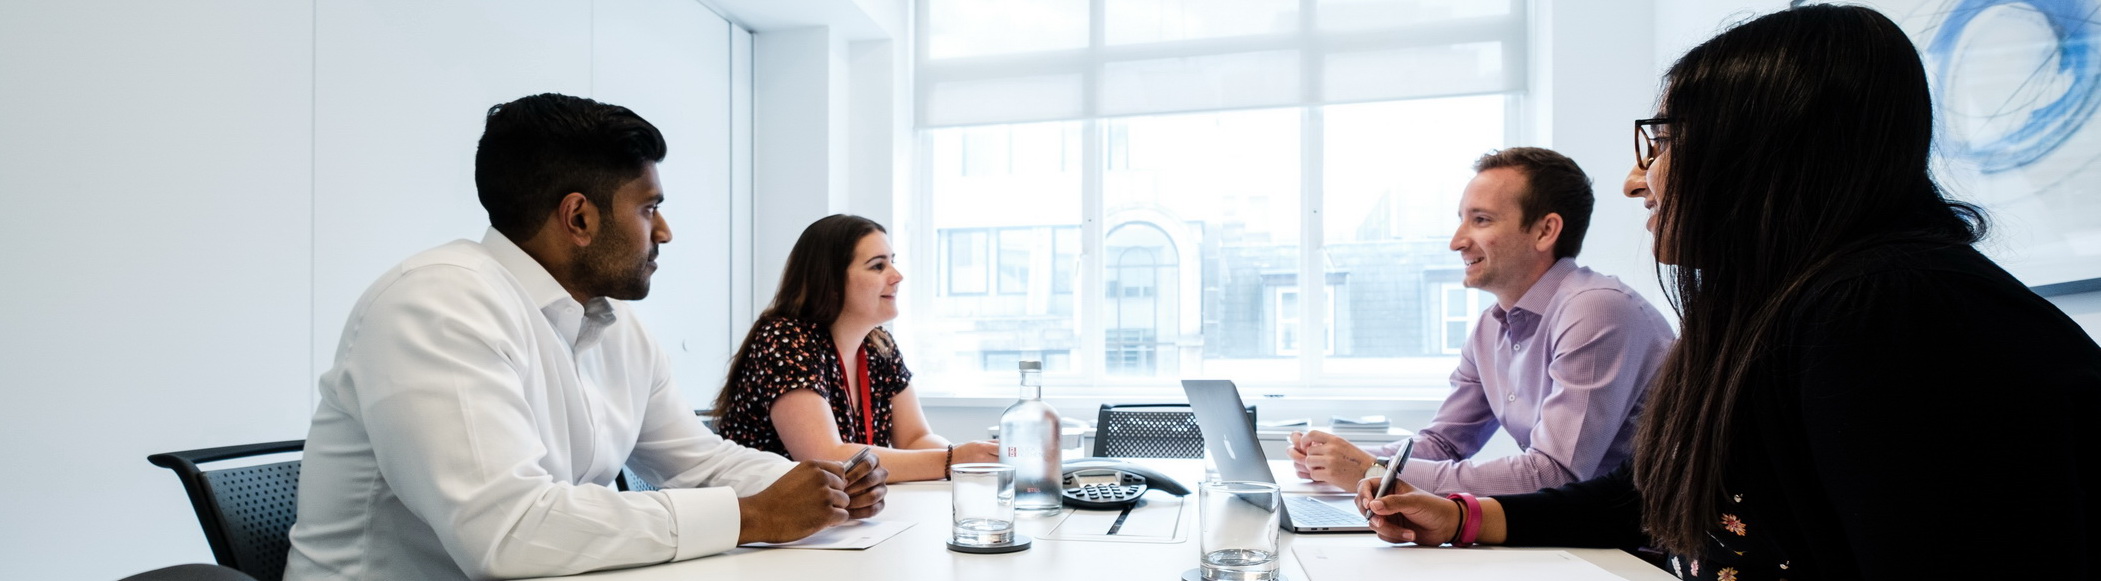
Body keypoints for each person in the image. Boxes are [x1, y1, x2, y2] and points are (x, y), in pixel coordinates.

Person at [1357, 6, 2100, 579]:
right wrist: (1463, 515)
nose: (1633, 179)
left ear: (1762, 150)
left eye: (1665, 141)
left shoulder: (1893, 315)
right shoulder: (1786, 308)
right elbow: (1659, 491)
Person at [285, 94, 888, 581]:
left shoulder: (614, 324)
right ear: (580, 218)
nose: (666, 232)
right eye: (650, 208)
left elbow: (697, 461)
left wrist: (823, 487)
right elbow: (508, 532)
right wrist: (752, 514)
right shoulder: (437, 306)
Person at [1290, 147, 1675, 496]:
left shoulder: (1596, 310)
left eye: (1481, 220)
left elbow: (1554, 474)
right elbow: (1444, 445)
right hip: (1566, 533)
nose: (1457, 241)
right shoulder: (1489, 329)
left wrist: (1371, 471)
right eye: (1462, 220)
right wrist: (1338, 459)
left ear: (1545, 231)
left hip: (1634, 546)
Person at [711, 215, 1000, 483]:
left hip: (835, 519)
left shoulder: (879, 345)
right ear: (832, 282)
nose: (896, 275)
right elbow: (826, 457)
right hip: (765, 522)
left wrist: (969, 459)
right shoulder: (785, 338)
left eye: (892, 262)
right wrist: (951, 460)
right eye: (878, 265)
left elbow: (914, 439)